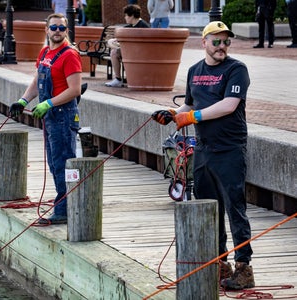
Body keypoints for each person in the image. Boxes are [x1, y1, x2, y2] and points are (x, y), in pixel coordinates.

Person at [151, 21, 255, 290]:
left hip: (229, 149)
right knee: (209, 207)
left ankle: (244, 267)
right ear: (204, 43)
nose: (222, 47)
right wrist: (172, 115)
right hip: (204, 148)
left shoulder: (236, 70)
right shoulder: (194, 71)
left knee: (235, 207)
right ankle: (219, 262)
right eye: (216, 41)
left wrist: (192, 116)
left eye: (226, 42)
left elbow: (229, 106)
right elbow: (189, 103)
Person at [8, 13, 82, 225]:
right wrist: (23, 101)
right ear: (46, 30)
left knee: (62, 162)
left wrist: (49, 103)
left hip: (64, 115)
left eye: (61, 28)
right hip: (50, 116)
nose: (57, 31)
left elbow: (75, 90)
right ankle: (62, 203)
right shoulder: (45, 52)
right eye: (53, 28)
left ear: (66, 31)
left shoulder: (70, 55)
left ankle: (64, 210)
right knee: (53, 162)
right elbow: (37, 81)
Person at [105, 4, 150, 87]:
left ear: (132, 16)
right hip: (130, 52)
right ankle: (118, 79)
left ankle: (119, 79)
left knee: (114, 52)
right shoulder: (128, 27)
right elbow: (119, 40)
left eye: (126, 15)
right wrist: (113, 42)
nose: (125, 17)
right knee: (114, 52)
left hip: (141, 54)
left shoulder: (144, 26)